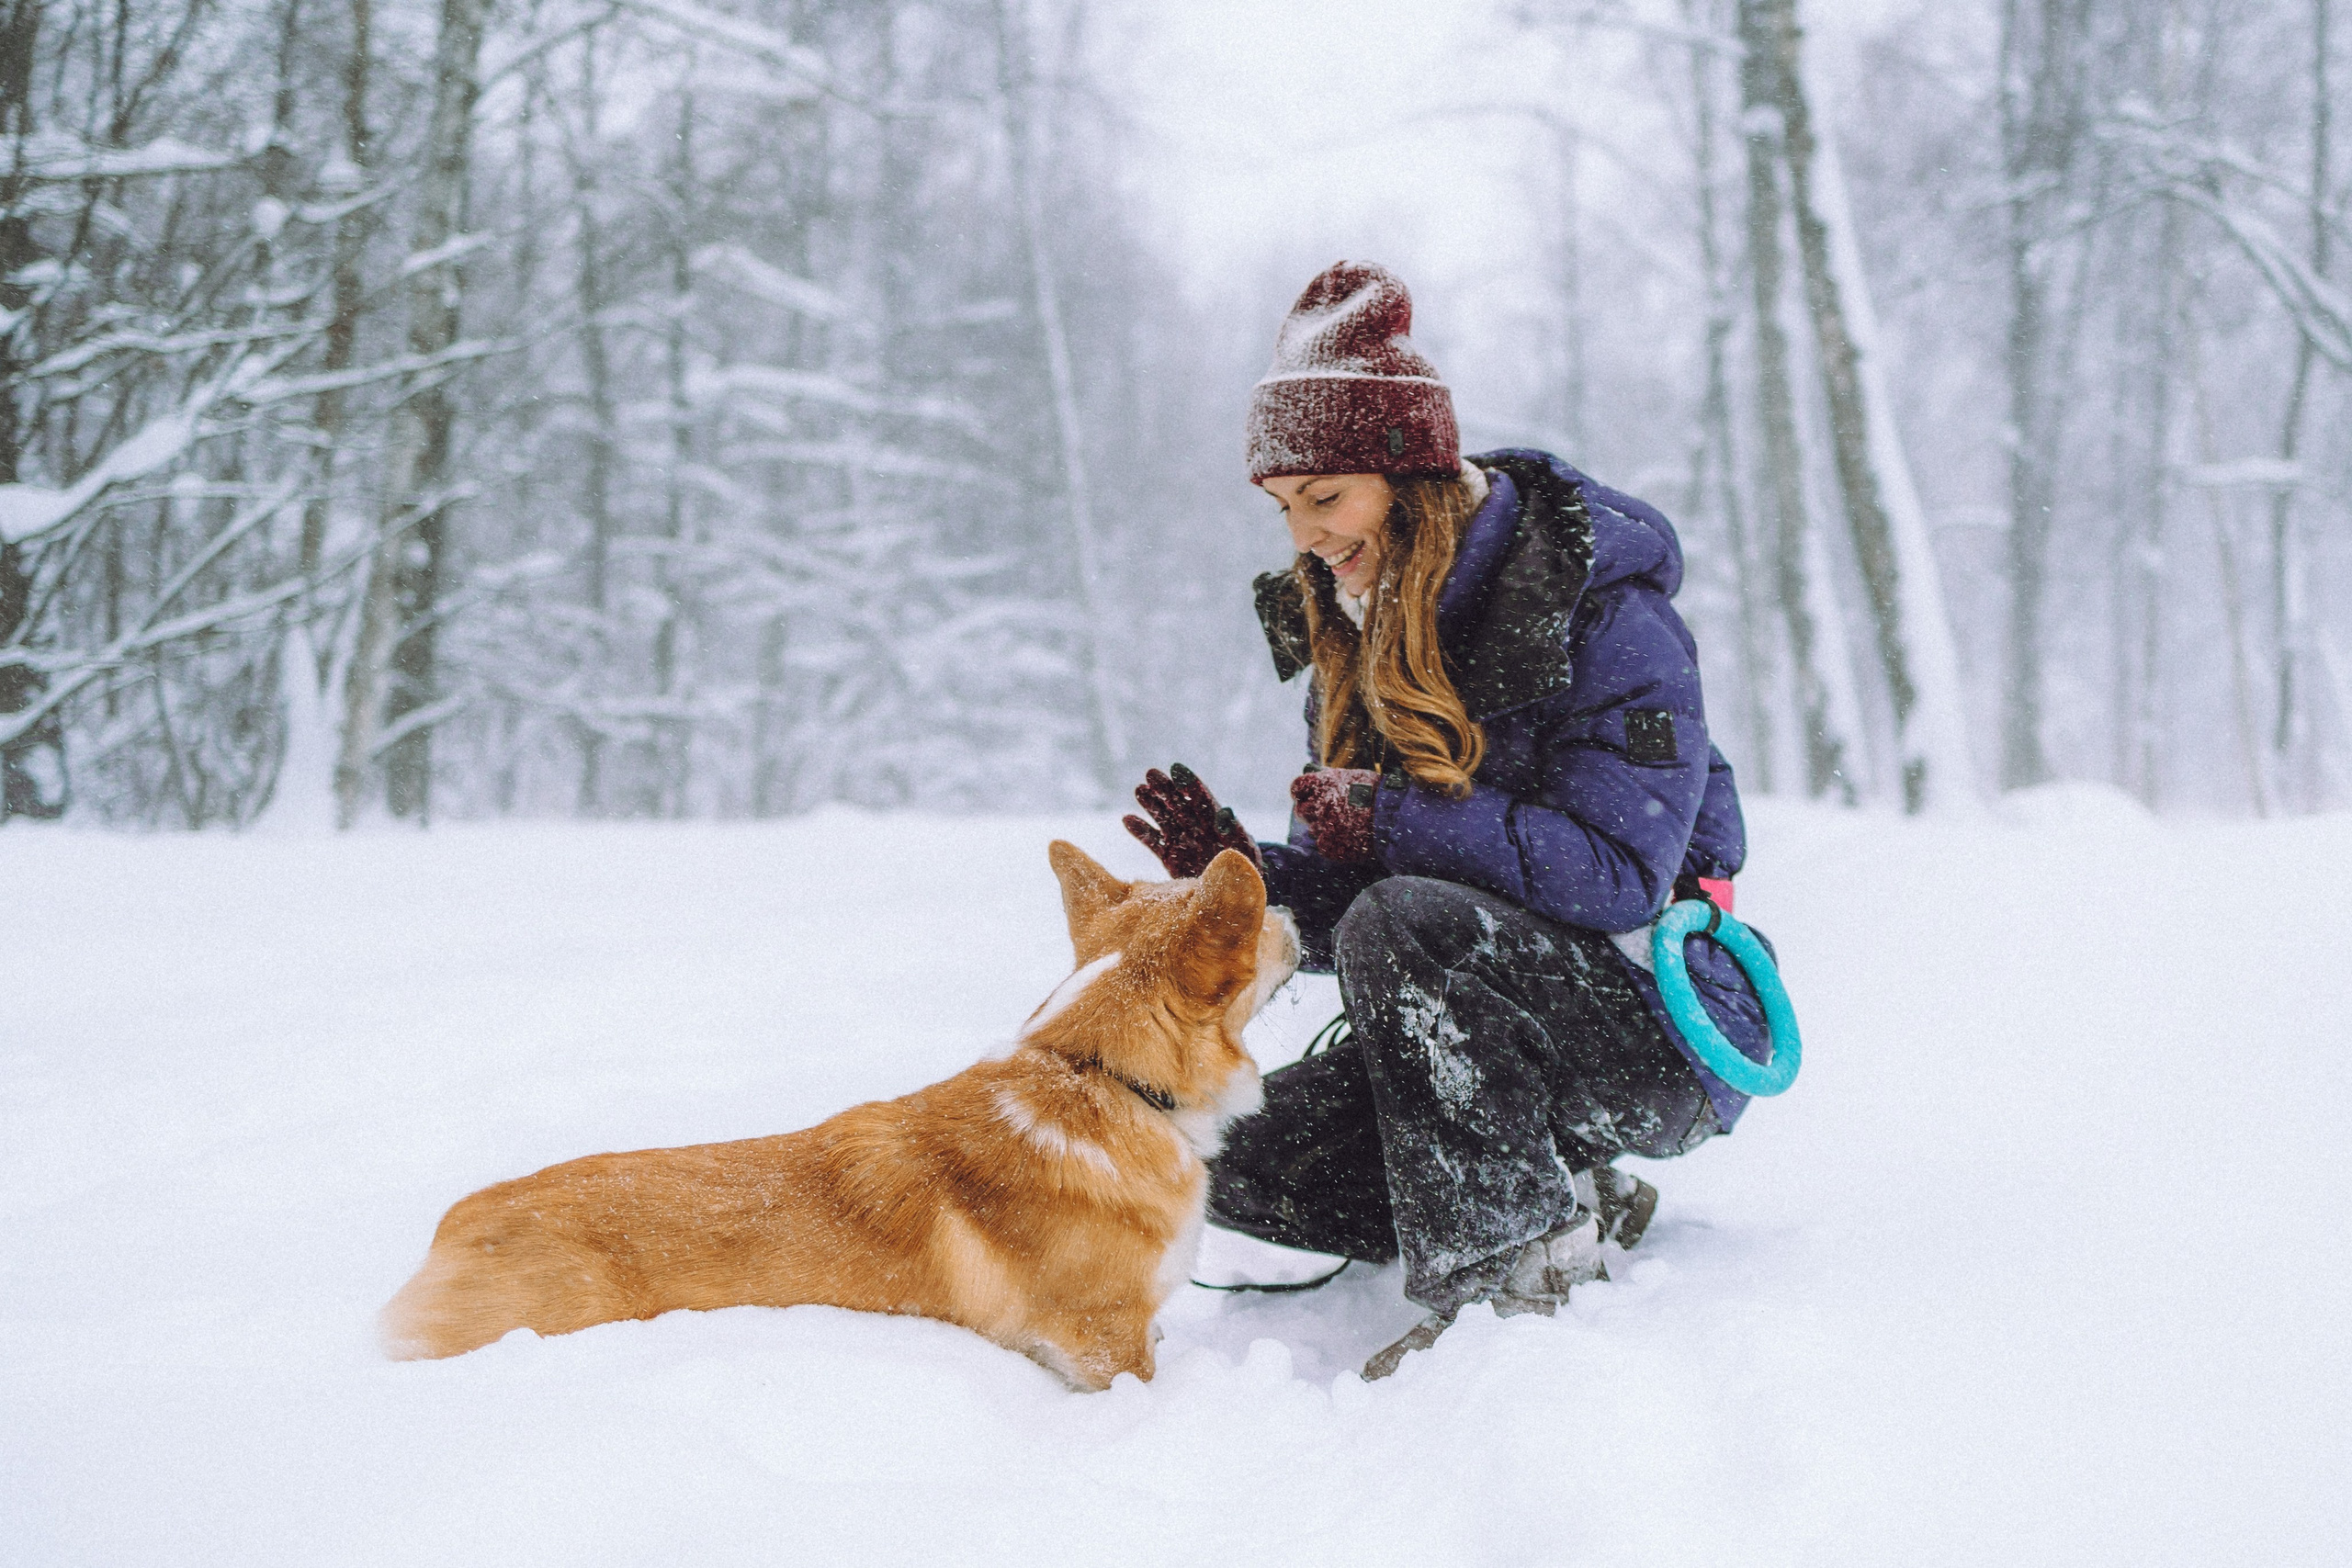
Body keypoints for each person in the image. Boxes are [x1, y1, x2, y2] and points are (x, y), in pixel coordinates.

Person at [1122, 260, 1775, 1380]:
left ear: (1410, 480)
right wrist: (1252, 884)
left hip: (1652, 1021)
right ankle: (1564, 1185)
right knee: (1232, 1158)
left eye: (1326, 499)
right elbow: (1374, 910)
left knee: (1410, 923)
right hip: (1490, 1008)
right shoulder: (1360, 628)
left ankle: (1509, 1268)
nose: (1309, 540)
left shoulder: (1603, 615)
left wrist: (1390, 819)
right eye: (1287, 511)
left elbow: (1615, 874)